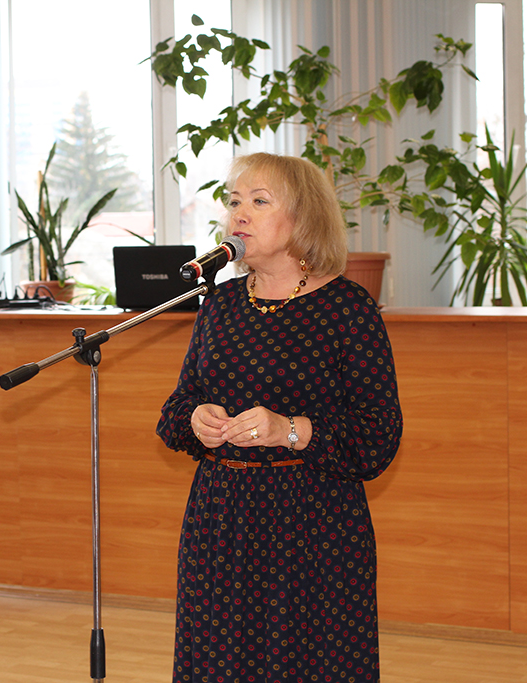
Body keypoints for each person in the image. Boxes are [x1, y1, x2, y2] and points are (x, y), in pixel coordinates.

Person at [156, 153, 402, 682]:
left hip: (312, 525)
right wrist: (195, 419)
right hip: (220, 520)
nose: (239, 213)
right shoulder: (219, 304)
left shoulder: (348, 308)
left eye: (259, 201)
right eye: (234, 201)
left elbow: (378, 436)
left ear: (303, 217)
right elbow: (175, 409)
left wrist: (289, 430)